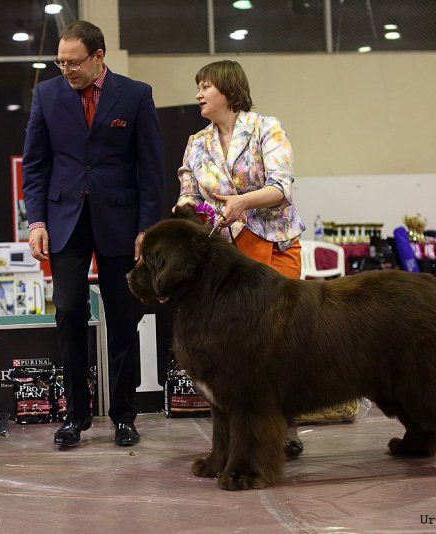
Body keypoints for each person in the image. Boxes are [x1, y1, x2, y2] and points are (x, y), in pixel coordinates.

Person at [22, 20, 164, 447]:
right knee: (67, 311)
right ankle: (75, 415)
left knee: (122, 316)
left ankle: (124, 415)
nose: (66, 70)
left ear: (99, 57)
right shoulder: (46, 94)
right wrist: (37, 221)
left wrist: (147, 229)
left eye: (74, 62)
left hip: (120, 221)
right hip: (65, 220)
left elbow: (151, 169)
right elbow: (35, 164)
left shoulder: (136, 95)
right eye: (60, 62)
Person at [176, 60, 307, 457]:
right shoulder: (196, 142)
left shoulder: (267, 127)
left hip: (274, 248)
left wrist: (241, 203)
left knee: (279, 348)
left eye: (205, 86)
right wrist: (185, 214)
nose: (198, 94)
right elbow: (188, 192)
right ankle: (237, 434)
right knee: (232, 352)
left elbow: (281, 187)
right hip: (225, 263)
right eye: (197, 87)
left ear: (229, 90)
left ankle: (287, 427)